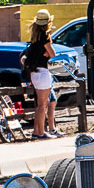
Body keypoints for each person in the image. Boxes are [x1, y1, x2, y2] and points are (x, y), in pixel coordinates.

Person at [21, 9, 60, 139]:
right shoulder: (45, 36)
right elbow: (53, 55)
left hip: (34, 73)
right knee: (43, 104)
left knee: (39, 105)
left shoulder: (35, 36)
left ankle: (36, 131)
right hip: (43, 72)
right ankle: (41, 132)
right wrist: (48, 53)